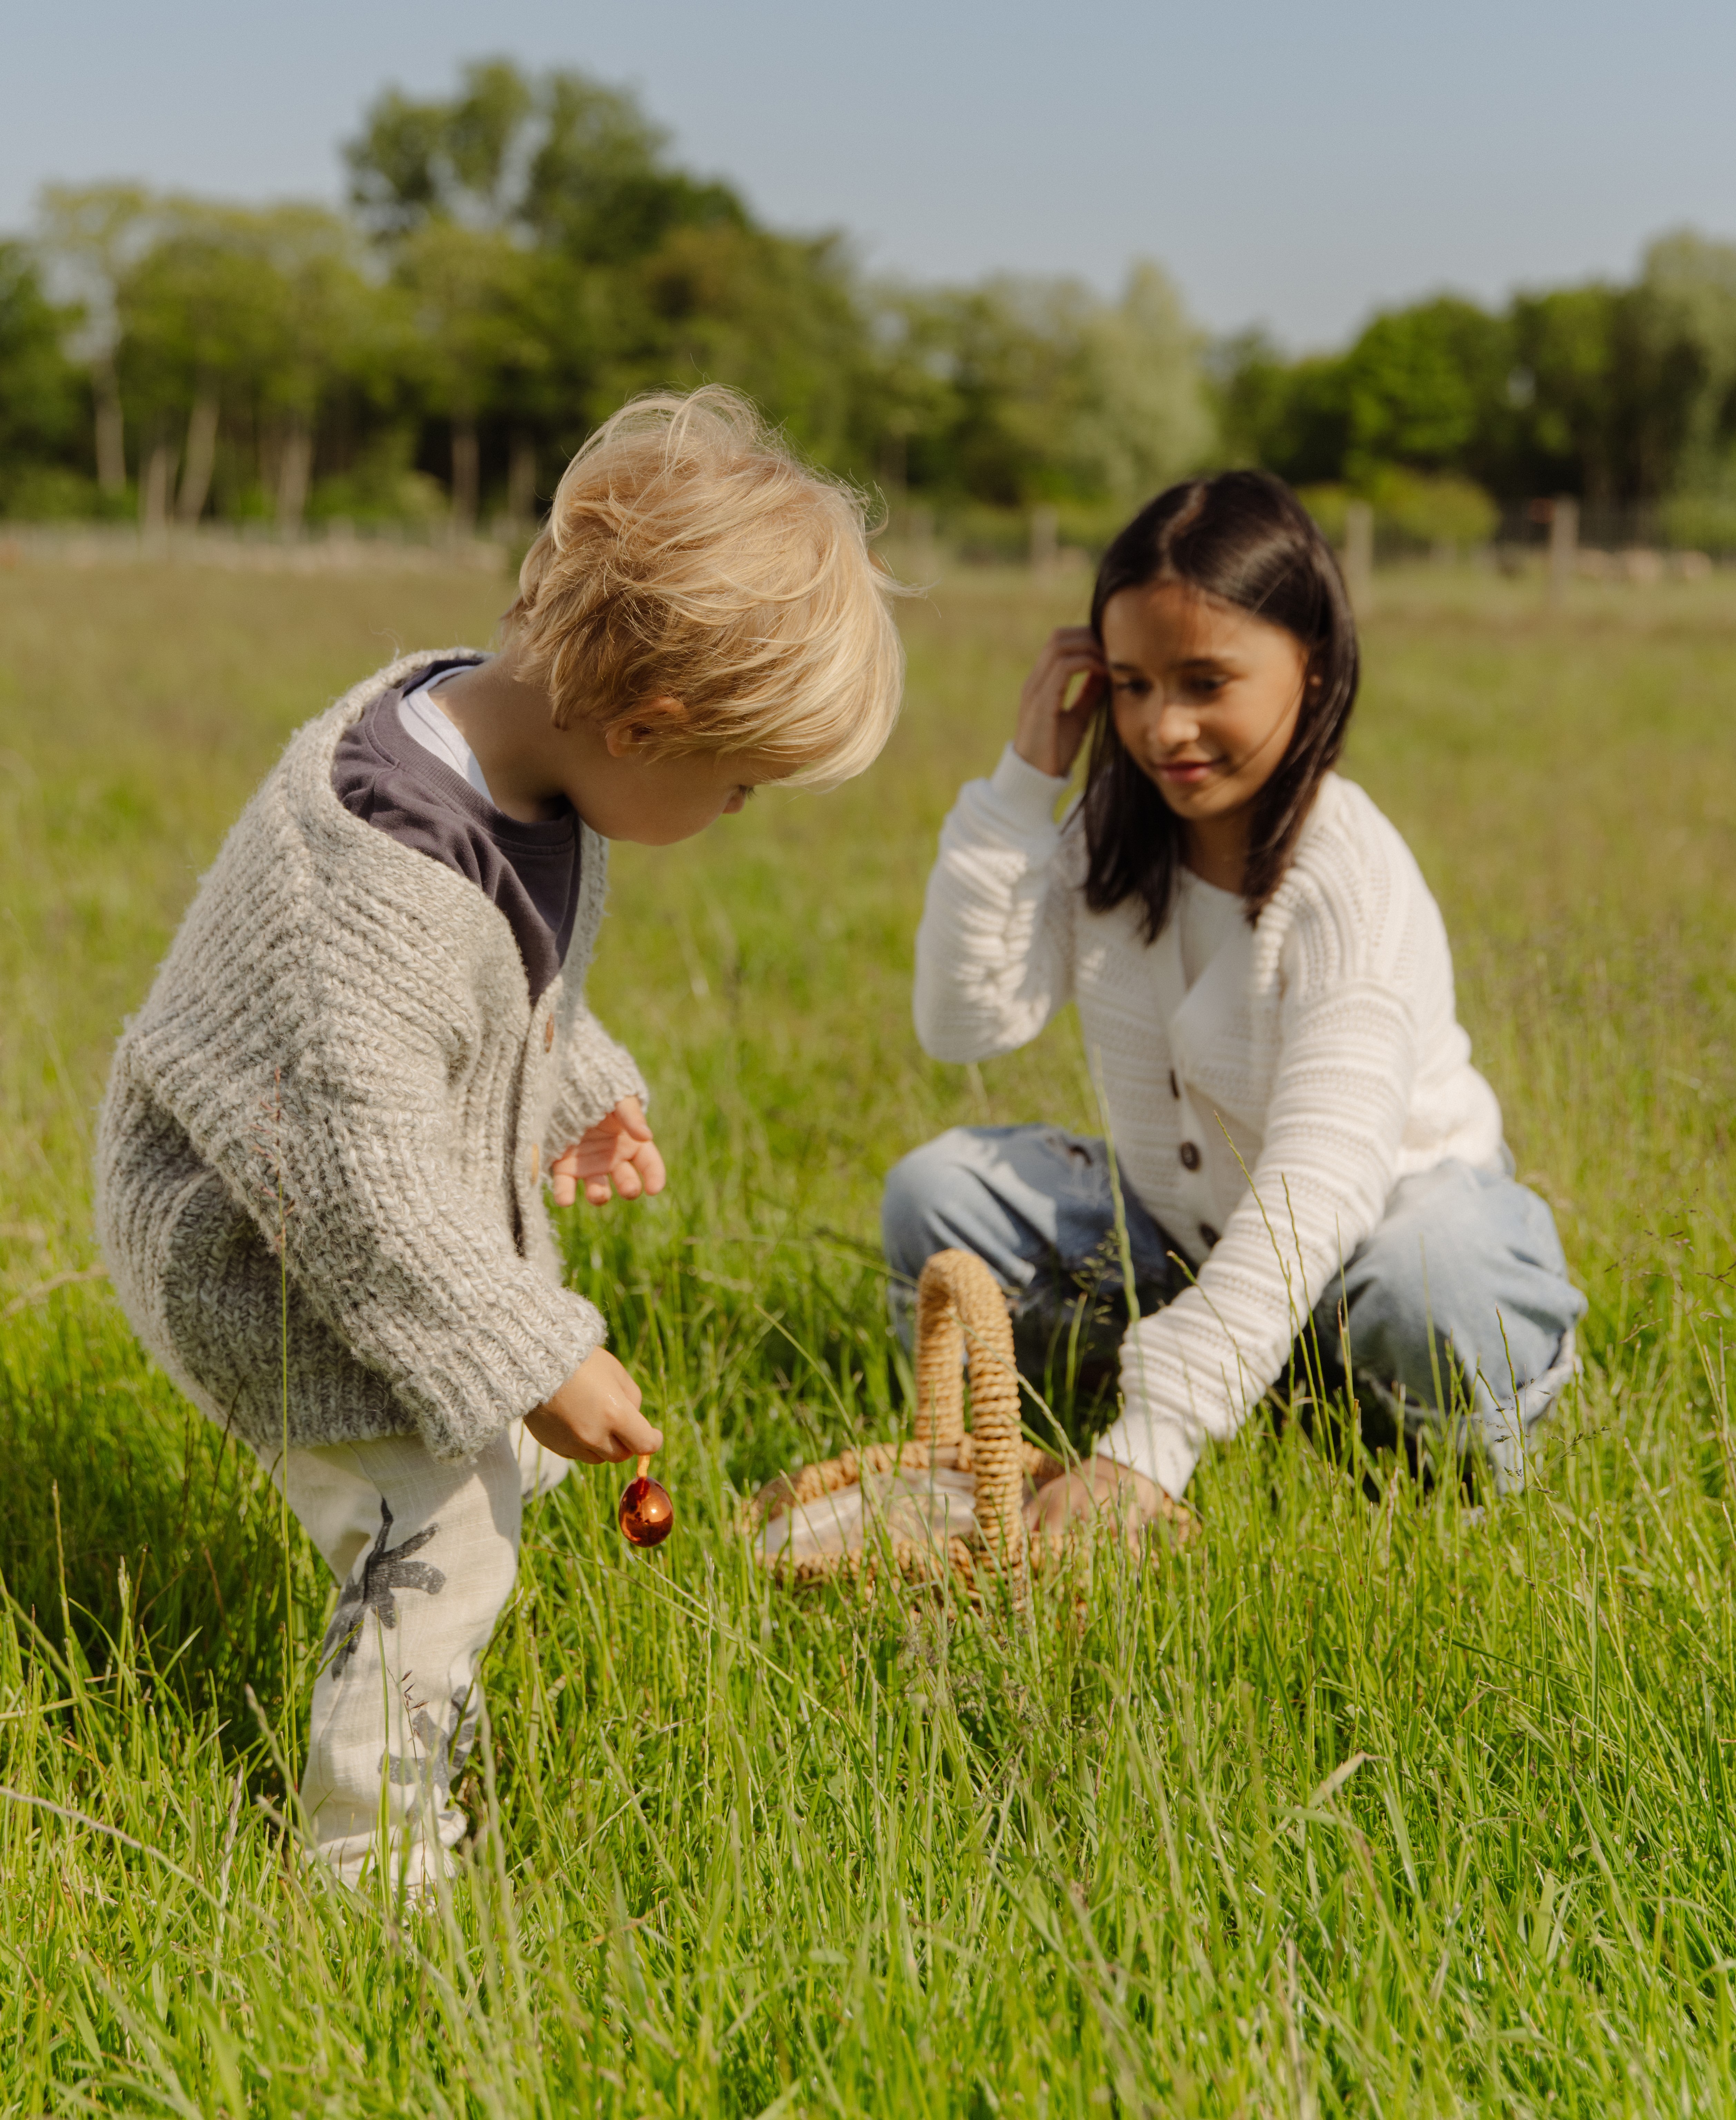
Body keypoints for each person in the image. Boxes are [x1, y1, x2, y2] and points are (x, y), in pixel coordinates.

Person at [97, 387, 903, 1891]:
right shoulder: (377, 883)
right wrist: (537, 1353)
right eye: (734, 784)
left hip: (347, 1192)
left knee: (481, 1480)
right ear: (644, 723)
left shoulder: (509, 737)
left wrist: (572, 1077)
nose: (734, 810)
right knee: (443, 1531)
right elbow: (363, 1186)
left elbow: (503, 985)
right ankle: (373, 1869)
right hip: (259, 1245)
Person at [883, 471, 1583, 1533]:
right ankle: (1240, 1383)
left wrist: (1152, 1449)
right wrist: (1027, 782)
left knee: (1434, 1284)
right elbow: (965, 1023)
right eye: (1130, 684)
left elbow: (1325, 1184)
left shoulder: (1348, 878)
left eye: (1206, 681)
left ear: (1313, 665)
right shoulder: (1111, 838)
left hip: (1378, 1241)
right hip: (1186, 1238)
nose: (1164, 728)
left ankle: (1424, 1446)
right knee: (939, 1195)